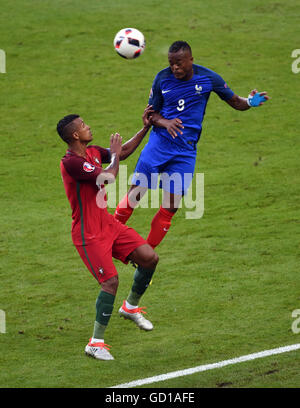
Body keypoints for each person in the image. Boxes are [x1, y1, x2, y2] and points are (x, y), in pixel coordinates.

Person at [114, 41, 269, 249]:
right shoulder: (162, 79)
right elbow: (150, 115)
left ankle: (146, 254)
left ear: (191, 60)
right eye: (171, 63)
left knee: (171, 206)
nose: (175, 68)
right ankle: (109, 234)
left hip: (185, 151)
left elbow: (234, 101)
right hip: (159, 145)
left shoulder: (208, 78)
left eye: (179, 63)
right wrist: (166, 123)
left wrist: (250, 102)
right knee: (136, 193)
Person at [57, 105, 159, 361]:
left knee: (149, 258)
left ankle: (130, 307)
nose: (87, 126)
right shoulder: (72, 162)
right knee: (110, 282)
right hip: (88, 234)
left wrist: (145, 126)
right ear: (75, 136)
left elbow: (121, 153)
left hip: (107, 224)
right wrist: (113, 155)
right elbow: (108, 178)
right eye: (82, 125)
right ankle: (95, 342)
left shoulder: (91, 151)